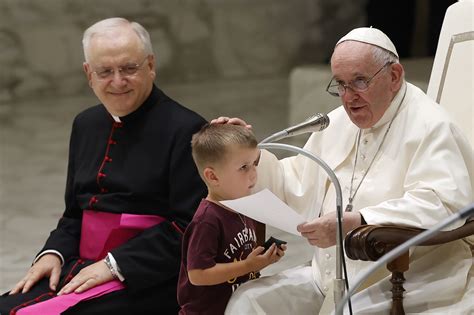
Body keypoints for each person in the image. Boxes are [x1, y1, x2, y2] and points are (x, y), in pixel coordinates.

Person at [215, 27, 474, 314]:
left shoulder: (431, 126)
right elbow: (295, 182)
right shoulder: (337, 123)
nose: (349, 98)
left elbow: (444, 203)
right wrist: (247, 157)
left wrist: (359, 221)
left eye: (360, 81)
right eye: (341, 84)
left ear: (394, 76)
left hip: (410, 277)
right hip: (329, 275)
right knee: (248, 300)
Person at [0, 17, 207, 315]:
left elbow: (190, 229)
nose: (118, 81)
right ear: (88, 74)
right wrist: (52, 253)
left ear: (150, 65)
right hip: (80, 267)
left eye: (129, 68)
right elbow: (74, 214)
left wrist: (114, 264)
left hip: (147, 277)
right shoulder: (86, 124)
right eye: (105, 71)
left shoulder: (187, 129)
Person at [177, 124, 286, 314]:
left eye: (254, 164)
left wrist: (265, 257)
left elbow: (246, 253)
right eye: (243, 167)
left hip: (239, 306)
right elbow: (198, 274)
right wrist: (247, 266)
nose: (253, 174)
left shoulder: (245, 205)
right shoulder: (207, 220)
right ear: (213, 176)